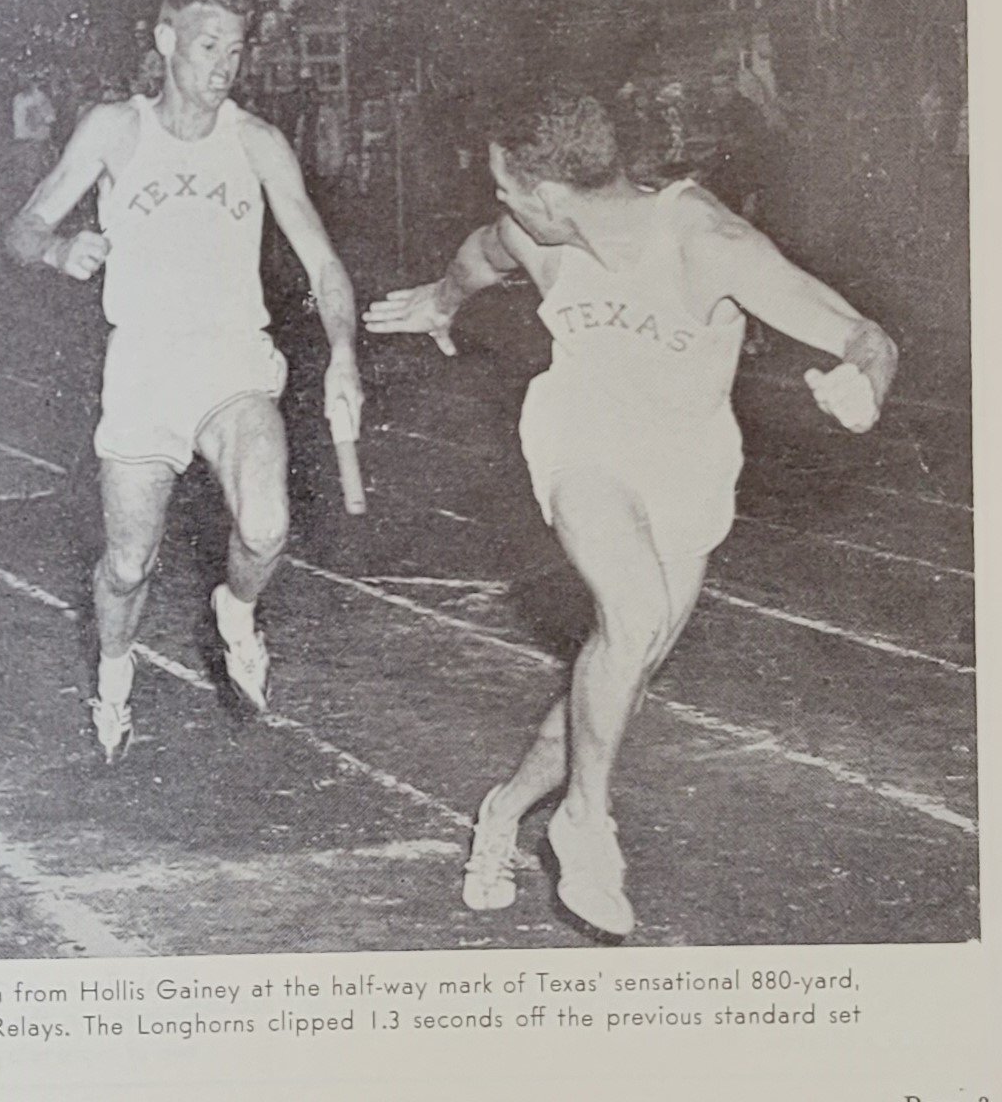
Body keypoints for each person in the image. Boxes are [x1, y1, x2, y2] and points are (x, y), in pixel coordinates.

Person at [366, 87, 898, 938]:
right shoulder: (534, 235)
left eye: (507, 189)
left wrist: (862, 387)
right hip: (581, 432)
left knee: (619, 672)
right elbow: (478, 254)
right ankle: (585, 824)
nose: (499, 203)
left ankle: (505, 810)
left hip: (686, 462)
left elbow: (867, 336)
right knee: (633, 612)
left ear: (549, 194)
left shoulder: (709, 243)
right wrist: (440, 300)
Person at [6, 0, 362, 759]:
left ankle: (235, 610)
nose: (224, 67)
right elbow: (23, 227)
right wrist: (61, 250)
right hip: (143, 367)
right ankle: (112, 672)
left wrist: (344, 358)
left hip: (232, 359)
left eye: (236, 51)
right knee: (128, 567)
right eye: (209, 47)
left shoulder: (257, 141)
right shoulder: (115, 130)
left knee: (266, 526)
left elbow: (325, 265)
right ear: (167, 41)